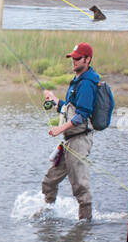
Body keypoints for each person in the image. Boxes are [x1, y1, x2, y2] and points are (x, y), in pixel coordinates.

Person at [40, 42, 98, 221]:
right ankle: (48, 214)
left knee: (80, 186)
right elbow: (69, 109)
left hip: (79, 141)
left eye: (77, 58)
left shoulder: (87, 83)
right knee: (49, 181)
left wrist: (59, 129)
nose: (73, 61)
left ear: (87, 60)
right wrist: (55, 100)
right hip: (69, 141)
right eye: (72, 57)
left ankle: (84, 226)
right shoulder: (78, 81)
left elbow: (81, 116)